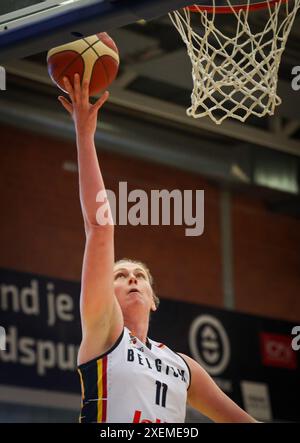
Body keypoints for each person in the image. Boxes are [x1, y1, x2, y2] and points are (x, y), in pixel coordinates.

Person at [58, 73, 257, 424]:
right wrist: (84, 133)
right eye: (121, 275)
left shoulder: (183, 366)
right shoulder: (104, 333)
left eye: (140, 276)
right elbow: (100, 226)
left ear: (152, 298)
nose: (133, 279)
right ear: (107, 289)